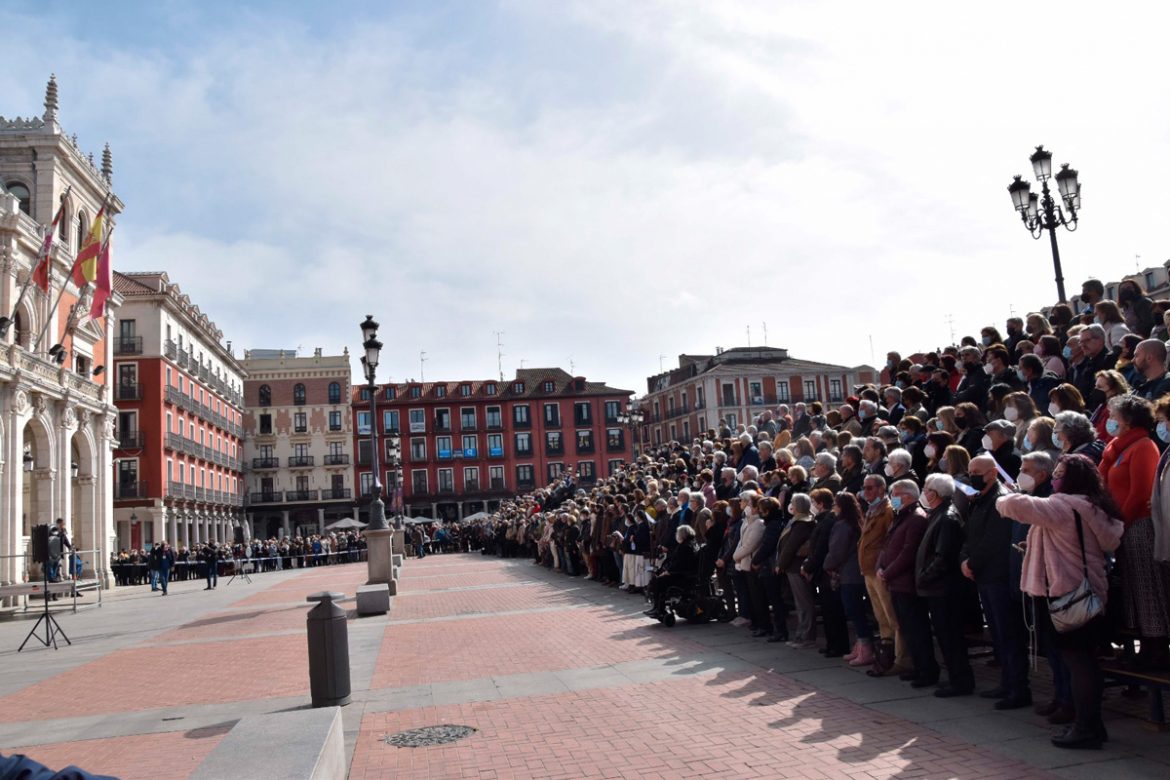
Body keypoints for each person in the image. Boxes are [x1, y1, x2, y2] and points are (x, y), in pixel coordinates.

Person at [997, 454, 1125, 749]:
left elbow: (1015, 506)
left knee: (1078, 663)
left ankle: (1086, 728)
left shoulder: (1063, 505)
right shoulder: (1094, 506)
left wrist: (1006, 492)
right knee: (1086, 662)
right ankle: (1092, 725)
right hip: (1089, 591)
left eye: (1059, 472)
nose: (1055, 477)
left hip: (1067, 593)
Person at [1098, 394, 1168, 669]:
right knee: (1131, 591)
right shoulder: (1116, 447)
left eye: (1115, 416)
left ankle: (1157, 648)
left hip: (1137, 526)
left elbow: (1140, 493)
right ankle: (1141, 646)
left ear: (1129, 419)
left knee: (1147, 588)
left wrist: (1119, 525)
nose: (1111, 421)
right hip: (1120, 527)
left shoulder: (1143, 446)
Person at [961, 454, 1031, 709]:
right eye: (970, 471)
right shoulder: (979, 500)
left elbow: (995, 541)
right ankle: (1007, 683)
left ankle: (1018, 688)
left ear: (992, 473)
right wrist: (965, 559)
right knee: (1000, 636)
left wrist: (972, 562)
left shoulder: (1001, 500)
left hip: (998, 576)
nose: (972, 476)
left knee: (1009, 634)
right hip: (983, 576)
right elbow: (970, 534)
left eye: (977, 471)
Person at [915, 473, 973, 697]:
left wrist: (923, 576)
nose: (925, 492)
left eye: (927, 488)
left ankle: (960, 681)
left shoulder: (946, 518)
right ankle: (956, 678)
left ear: (936, 493)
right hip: (938, 587)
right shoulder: (938, 514)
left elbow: (943, 557)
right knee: (946, 636)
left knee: (951, 637)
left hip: (944, 588)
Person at [878, 479, 933, 687]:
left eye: (896, 494)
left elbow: (908, 552)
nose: (892, 499)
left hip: (907, 583)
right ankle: (918, 667)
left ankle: (927, 670)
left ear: (908, 496)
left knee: (917, 629)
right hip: (896, 582)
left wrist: (888, 572)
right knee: (908, 629)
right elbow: (889, 545)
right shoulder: (901, 517)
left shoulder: (916, 518)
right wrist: (882, 567)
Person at [802, 488, 850, 657]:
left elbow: (821, 548)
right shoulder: (822, 520)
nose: (812, 506)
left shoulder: (828, 521)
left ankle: (839, 645)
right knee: (828, 611)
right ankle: (832, 644)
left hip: (826, 572)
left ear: (821, 503)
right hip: (821, 571)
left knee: (833, 611)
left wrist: (809, 567)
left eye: (814, 502)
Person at [827, 491, 873, 666]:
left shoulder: (843, 525)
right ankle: (861, 645)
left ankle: (865, 648)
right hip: (856, 572)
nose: (834, 508)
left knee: (854, 611)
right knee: (858, 611)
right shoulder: (857, 521)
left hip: (849, 574)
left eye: (835, 504)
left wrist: (827, 565)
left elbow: (836, 551)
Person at [777, 492, 816, 647]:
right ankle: (801, 635)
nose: (790, 505)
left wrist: (781, 564)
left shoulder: (803, 523)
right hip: (792, 566)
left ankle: (806, 637)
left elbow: (790, 547)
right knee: (801, 603)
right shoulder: (798, 521)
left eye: (793, 502)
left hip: (796, 566)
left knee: (804, 603)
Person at [644, 525, 701, 619]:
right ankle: (657, 607)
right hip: (687, 575)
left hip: (683, 577)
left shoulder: (685, 547)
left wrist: (668, 572)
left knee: (658, 581)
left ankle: (659, 609)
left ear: (682, 535)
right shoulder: (692, 543)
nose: (676, 535)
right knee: (658, 579)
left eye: (677, 533)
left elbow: (679, 564)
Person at [47, 518, 72, 583]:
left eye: (63, 524)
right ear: (58, 524)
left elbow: (65, 539)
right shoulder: (54, 529)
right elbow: (53, 538)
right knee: (51, 564)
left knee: (56, 564)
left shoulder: (62, 530)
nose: (63, 525)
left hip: (58, 551)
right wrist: (61, 532)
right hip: (52, 550)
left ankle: (54, 577)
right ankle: (51, 578)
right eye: (62, 524)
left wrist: (69, 546)